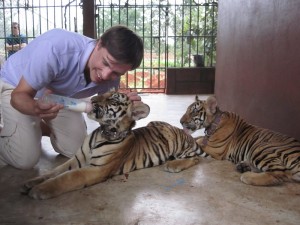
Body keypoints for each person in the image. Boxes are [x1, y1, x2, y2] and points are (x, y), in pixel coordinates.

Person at [0, 25, 144, 169]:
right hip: (16, 86)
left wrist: (125, 108)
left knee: (77, 150)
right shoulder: (56, 47)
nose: (106, 75)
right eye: (106, 62)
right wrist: (36, 108)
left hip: (58, 96)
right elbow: (18, 96)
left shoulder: (112, 77)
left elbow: (107, 115)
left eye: (117, 73)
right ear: (99, 44)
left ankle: (38, 128)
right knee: (25, 159)